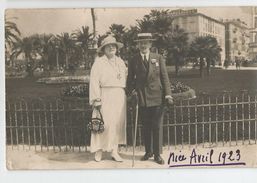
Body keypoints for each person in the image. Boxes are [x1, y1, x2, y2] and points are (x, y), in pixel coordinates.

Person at [127, 33, 173, 165]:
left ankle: (157, 154)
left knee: (156, 126)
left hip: (157, 97)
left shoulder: (158, 58)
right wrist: (132, 92)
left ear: (150, 44)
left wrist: (168, 94)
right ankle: (148, 151)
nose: (143, 45)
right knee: (146, 126)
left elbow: (164, 78)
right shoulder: (133, 60)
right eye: (140, 43)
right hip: (142, 98)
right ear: (138, 45)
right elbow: (129, 80)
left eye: (145, 43)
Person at [89, 35, 127, 162]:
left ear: (117, 48)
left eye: (113, 45)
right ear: (103, 49)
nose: (112, 47)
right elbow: (94, 81)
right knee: (103, 122)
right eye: (108, 46)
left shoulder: (121, 62)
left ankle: (114, 151)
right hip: (105, 94)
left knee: (117, 124)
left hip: (119, 95)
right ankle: (98, 150)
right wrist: (96, 99)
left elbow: (125, 78)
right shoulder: (99, 62)